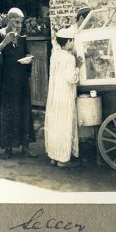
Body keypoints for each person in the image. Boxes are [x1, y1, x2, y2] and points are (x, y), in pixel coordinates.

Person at [0, 8, 37, 160]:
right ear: (9, 20)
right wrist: (4, 43)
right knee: (7, 114)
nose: (19, 25)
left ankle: (26, 147)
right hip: (4, 84)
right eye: (16, 22)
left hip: (20, 82)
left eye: (21, 22)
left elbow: (26, 54)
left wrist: (29, 58)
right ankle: (7, 148)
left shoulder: (22, 38)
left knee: (24, 112)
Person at [44, 27, 83, 168]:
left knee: (55, 125)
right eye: (72, 41)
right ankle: (63, 159)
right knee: (64, 125)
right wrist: (78, 66)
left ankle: (54, 157)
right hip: (65, 95)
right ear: (68, 42)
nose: (73, 44)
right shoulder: (70, 58)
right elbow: (71, 78)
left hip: (54, 95)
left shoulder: (55, 55)